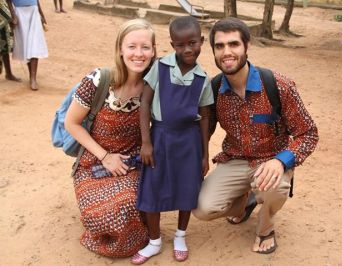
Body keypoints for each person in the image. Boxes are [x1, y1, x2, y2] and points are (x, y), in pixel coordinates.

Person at [193, 17, 319, 255]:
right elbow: (202, 132)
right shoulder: (214, 89)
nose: (227, 52)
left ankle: (266, 229)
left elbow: (308, 133)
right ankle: (246, 202)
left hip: (271, 160)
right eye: (219, 46)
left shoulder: (277, 84)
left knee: (274, 187)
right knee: (202, 208)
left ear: (247, 46)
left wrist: (281, 161)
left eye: (233, 44)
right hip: (235, 160)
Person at [64, 19, 157, 257]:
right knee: (104, 214)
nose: (139, 53)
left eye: (145, 47)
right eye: (132, 46)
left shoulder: (154, 86)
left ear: (154, 51)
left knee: (128, 204)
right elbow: (71, 123)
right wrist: (105, 157)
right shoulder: (99, 79)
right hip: (93, 162)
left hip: (132, 163)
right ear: (120, 50)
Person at [132, 16, 213, 264]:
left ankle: (180, 235)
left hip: (189, 141)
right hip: (160, 136)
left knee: (187, 188)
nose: (187, 49)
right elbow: (145, 103)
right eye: (180, 45)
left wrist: (204, 153)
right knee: (153, 187)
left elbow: (205, 118)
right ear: (172, 45)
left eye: (192, 43)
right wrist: (146, 142)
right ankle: (154, 241)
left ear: (201, 41)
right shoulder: (161, 67)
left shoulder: (203, 79)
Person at [7, 0, 48, 90]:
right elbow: (8, 1)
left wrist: (41, 14)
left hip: (34, 11)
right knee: (26, 45)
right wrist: (13, 16)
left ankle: (33, 78)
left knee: (34, 44)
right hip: (19, 13)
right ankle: (31, 76)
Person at [0, 0, 20, 81]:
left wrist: (11, 17)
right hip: (3, 16)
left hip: (3, 19)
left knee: (4, 47)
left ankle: (8, 73)